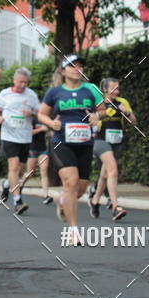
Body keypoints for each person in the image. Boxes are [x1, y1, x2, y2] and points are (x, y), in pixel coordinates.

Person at [38, 55, 104, 246]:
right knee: (71, 182)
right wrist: (52, 123)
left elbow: (102, 110)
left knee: (80, 189)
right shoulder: (54, 92)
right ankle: (74, 230)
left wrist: (97, 116)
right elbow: (41, 114)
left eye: (80, 66)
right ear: (62, 71)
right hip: (61, 142)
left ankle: (62, 201)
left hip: (85, 144)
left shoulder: (90, 90)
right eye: (72, 66)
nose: (77, 68)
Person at [0, 68, 40, 215]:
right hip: (9, 135)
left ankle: (7, 184)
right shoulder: (5, 93)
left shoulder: (31, 95)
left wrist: (31, 113)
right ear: (14, 80)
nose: (23, 85)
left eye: (25, 82)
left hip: (25, 136)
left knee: (20, 169)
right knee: (13, 166)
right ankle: (17, 201)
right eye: (20, 82)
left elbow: (39, 112)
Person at [89, 78, 135, 222]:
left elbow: (134, 122)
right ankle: (116, 207)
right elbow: (90, 120)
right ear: (105, 90)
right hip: (100, 141)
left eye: (118, 88)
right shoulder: (98, 104)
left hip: (116, 142)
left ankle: (95, 201)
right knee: (113, 171)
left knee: (105, 174)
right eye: (114, 88)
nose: (117, 91)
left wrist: (126, 113)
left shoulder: (122, 102)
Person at [20, 118, 52, 204]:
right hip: (32, 149)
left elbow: (46, 133)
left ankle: (46, 196)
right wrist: (41, 129)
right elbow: (29, 132)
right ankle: (21, 184)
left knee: (44, 172)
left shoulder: (44, 120)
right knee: (30, 173)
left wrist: (50, 133)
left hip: (43, 150)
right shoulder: (31, 120)